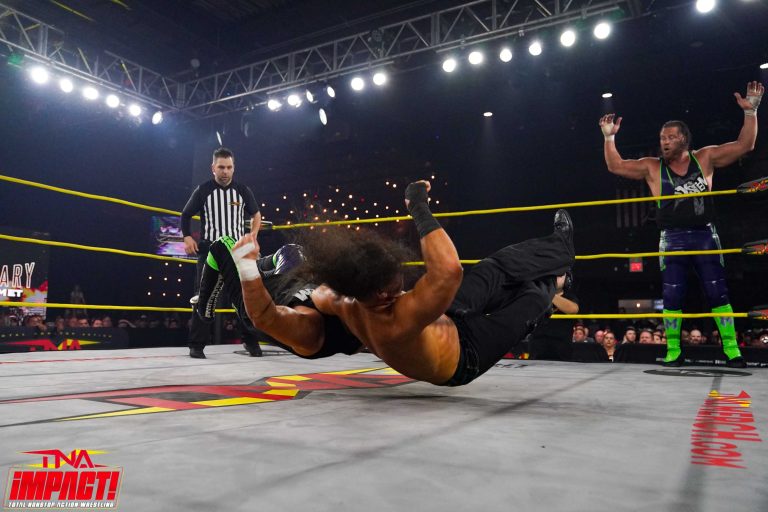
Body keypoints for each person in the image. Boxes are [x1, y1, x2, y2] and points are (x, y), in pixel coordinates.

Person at [234, 181, 575, 386]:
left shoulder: (339, 299)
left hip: (446, 317)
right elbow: (448, 271)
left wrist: (250, 270)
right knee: (533, 298)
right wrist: (418, 207)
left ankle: (561, 247)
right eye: (390, 288)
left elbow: (276, 312)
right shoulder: (394, 320)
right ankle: (556, 284)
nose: (397, 289)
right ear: (377, 294)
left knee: (493, 268)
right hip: (464, 356)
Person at [598, 81, 763, 368]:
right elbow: (616, 166)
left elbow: (745, 145)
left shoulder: (705, 158)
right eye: (662, 137)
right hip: (672, 236)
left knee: (717, 291)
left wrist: (751, 113)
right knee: (672, 294)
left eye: (671, 137)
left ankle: (732, 350)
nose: (665, 141)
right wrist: (609, 138)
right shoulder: (652, 167)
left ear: (684, 139)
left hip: (704, 234)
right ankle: (674, 350)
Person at [194, 236, 364, 359]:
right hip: (285, 282)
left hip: (255, 297)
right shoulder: (351, 311)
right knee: (292, 250)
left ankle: (204, 307)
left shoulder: (309, 328)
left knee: (222, 244)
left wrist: (247, 266)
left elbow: (263, 317)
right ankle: (257, 265)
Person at [181, 147, 261, 359]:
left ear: (234, 168)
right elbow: (185, 214)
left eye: (229, 167)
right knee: (203, 296)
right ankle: (196, 345)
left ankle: (251, 341)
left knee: (245, 296)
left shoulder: (242, 190)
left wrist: (253, 235)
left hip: (237, 251)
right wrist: (187, 236)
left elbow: (256, 214)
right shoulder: (203, 190)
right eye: (221, 167)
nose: (225, 171)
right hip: (210, 251)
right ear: (213, 168)